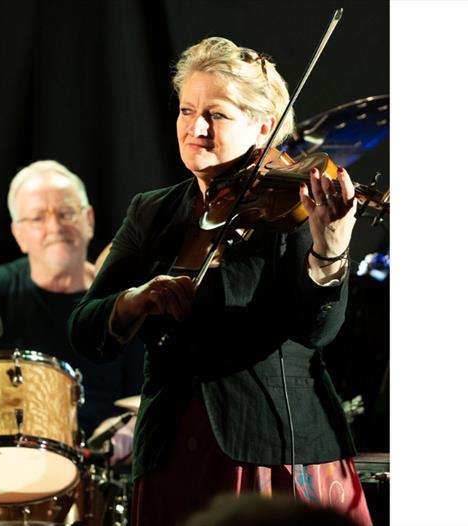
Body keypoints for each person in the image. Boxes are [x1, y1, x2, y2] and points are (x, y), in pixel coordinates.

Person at [67, 37, 372, 525]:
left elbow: (318, 331)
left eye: (218, 114)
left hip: (274, 446)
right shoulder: (152, 211)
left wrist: (330, 248)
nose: (196, 128)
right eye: (187, 110)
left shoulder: (293, 205)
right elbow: (85, 330)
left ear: (264, 127)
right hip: (171, 448)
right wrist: (133, 301)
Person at [0, 160, 143, 462]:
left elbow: (144, 398)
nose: (54, 227)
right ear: (18, 234)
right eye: (37, 218)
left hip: (100, 469)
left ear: (89, 220)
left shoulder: (125, 301)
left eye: (66, 213)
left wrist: (129, 429)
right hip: (13, 463)